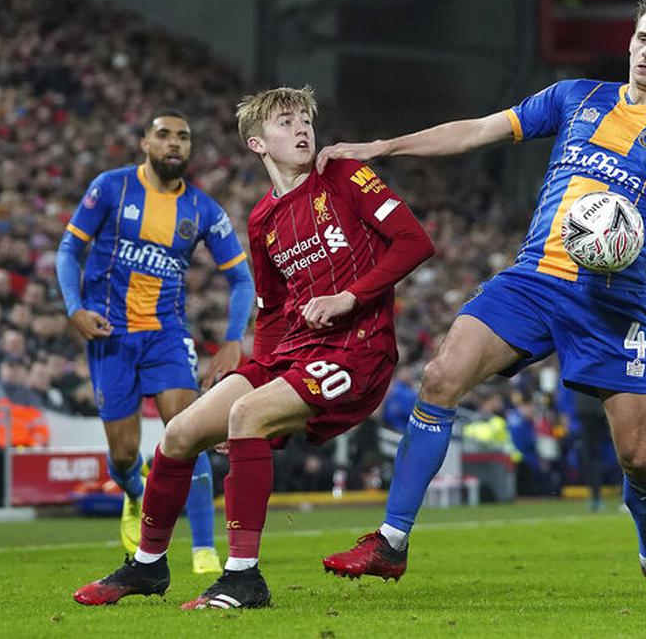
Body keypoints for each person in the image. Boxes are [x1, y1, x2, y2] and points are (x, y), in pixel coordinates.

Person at [318, 0, 646, 604]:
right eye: (642, 37)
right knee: (441, 377)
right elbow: (480, 129)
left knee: (639, 457)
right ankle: (390, 543)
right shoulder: (575, 97)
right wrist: (382, 148)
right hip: (534, 281)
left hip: (615, 305)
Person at [72, 86, 433, 609]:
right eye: (285, 123)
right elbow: (269, 312)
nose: (302, 130)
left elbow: (415, 241)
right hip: (292, 353)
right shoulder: (263, 218)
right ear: (257, 144)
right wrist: (255, 372)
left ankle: (243, 577)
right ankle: (147, 566)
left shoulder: (347, 177)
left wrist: (347, 297)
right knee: (179, 434)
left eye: (305, 120)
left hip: (357, 351)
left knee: (245, 416)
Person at [56, 109, 255, 573]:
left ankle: (204, 549)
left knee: (190, 431)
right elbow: (69, 250)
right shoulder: (111, 187)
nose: (174, 144)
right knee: (124, 454)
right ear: (145, 142)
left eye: (183, 137)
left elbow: (242, 280)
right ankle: (132, 492)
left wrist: (232, 340)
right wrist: (74, 309)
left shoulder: (204, 209)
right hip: (111, 335)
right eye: (164, 135)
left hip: (167, 334)